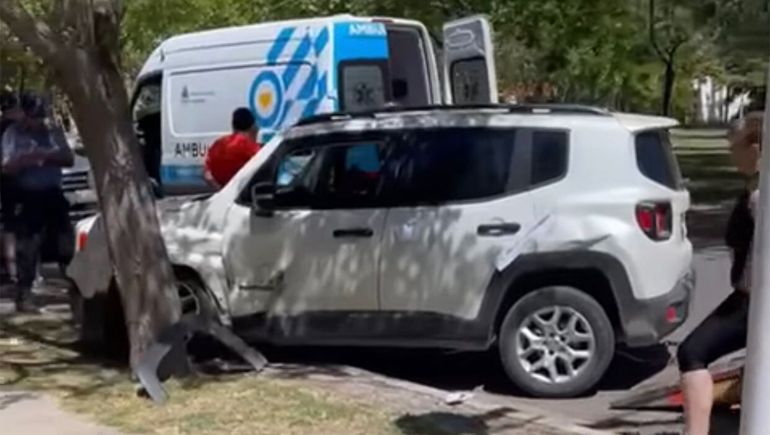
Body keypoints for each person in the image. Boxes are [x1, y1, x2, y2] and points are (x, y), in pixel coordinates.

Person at [677, 109, 764, 435]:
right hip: (749, 300)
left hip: (753, 302)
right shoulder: (757, 190)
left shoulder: (759, 199)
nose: (731, 156)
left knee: (693, 352)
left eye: (734, 148)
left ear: (754, 150)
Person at [0, 94, 74, 312]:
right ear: (25, 114)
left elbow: (68, 158)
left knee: (65, 244)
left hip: (53, 193)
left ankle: (75, 291)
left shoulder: (54, 132)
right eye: (35, 117)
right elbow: (5, 166)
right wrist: (24, 160)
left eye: (42, 116)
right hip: (28, 195)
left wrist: (47, 156)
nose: (39, 121)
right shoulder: (13, 134)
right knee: (28, 247)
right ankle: (24, 294)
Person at [204, 107, 261, 189]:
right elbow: (264, 166)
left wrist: (222, 191)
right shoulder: (249, 147)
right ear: (253, 128)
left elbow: (207, 174)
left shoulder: (218, 144)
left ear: (233, 127)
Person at [0, 91, 24, 285]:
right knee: (24, 226)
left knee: (9, 224)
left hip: (5, 184)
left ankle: (12, 270)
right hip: (18, 182)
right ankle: (22, 270)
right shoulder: (16, 131)